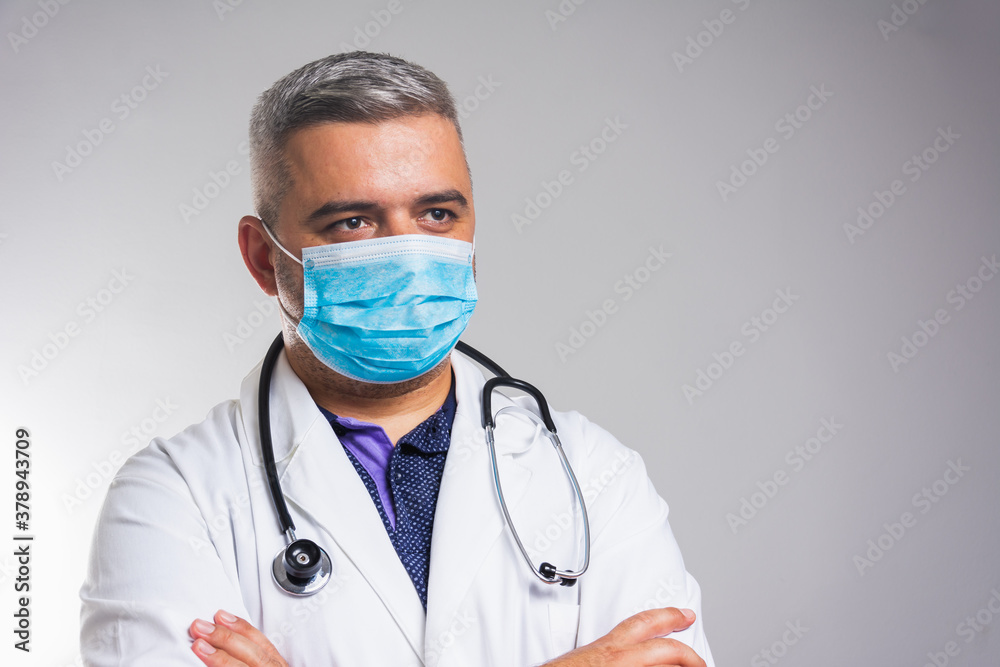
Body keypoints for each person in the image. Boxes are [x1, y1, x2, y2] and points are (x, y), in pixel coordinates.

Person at [80, 51, 714, 667]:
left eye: (437, 214)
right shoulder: (172, 496)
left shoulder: (593, 474)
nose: (409, 257)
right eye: (353, 222)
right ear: (262, 258)